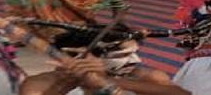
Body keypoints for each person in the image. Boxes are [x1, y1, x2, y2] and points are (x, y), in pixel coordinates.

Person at [20, 26, 188, 95]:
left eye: (134, 53)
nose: (134, 60)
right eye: (122, 55)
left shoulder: (150, 78)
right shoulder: (39, 83)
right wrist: (64, 84)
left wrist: (107, 81)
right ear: (80, 56)